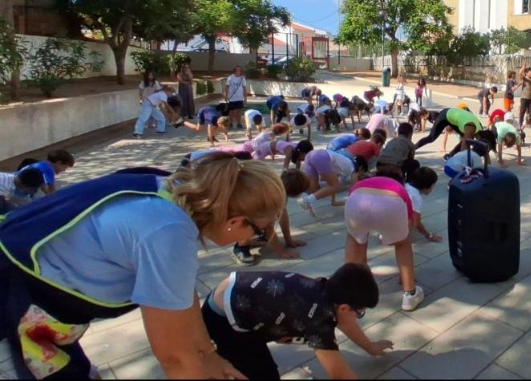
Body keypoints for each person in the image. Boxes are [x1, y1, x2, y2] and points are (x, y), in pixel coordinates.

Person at [0, 154, 285, 379]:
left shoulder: (169, 190)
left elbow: (180, 295)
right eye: (259, 230)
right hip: (14, 298)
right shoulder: (168, 233)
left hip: (35, 296)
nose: (254, 238)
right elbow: (174, 357)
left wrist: (207, 354)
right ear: (235, 221)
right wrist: (195, 362)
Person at [202, 264, 390, 380]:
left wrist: (369, 346)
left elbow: (346, 322)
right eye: (360, 312)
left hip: (232, 294)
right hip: (224, 320)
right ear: (344, 308)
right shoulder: (318, 322)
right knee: (264, 374)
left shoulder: (323, 289)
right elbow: (340, 375)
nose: (358, 317)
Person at [344, 169, 425, 311]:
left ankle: (351, 289)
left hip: (357, 199)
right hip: (392, 200)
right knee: (403, 243)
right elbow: (409, 225)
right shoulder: (400, 189)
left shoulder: (362, 183)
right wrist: (394, 237)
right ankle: (410, 294)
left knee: (354, 239)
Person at [296, 148, 359, 216]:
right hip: (320, 157)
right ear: (361, 168)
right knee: (337, 186)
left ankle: (305, 200)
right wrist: (355, 202)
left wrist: (333, 201)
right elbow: (355, 187)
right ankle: (307, 200)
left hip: (310, 156)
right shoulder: (354, 168)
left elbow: (332, 182)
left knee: (313, 188)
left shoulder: (344, 162)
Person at [415, 107, 482, 155]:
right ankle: (413, 148)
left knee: (465, 139)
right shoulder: (471, 128)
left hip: (452, 115)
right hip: (445, 115)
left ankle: (450, 155)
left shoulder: (477, 127)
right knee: (431, 138)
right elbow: (466, 143)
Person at [405, 167, 442, 242]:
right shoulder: (415, 197)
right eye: (433, 186)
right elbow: (416, 223)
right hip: (391, 221)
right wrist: (428, 235)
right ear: (427, 186)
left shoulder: (406, 185)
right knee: (412, 223)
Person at [223, 65, 248, 130]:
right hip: (232, 97)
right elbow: (227, 86)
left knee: (238, 111)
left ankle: (239, 123)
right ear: (234, 71)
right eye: (237, 70)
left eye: (239, 70)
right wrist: (225, 95)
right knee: (231, 111)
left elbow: (244, 88)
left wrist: (245, 98)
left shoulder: (242, 78)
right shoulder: (230, 78)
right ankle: (230, 123)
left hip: (239, 97)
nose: (238, 71)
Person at [517, 61, 531, 128]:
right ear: (526, 73)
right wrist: (523, 68)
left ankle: (530, 123)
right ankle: (520, 124)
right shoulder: (524, 78)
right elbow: (520, 73)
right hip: (524, 97)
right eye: (530, 72)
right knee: (522, 112)